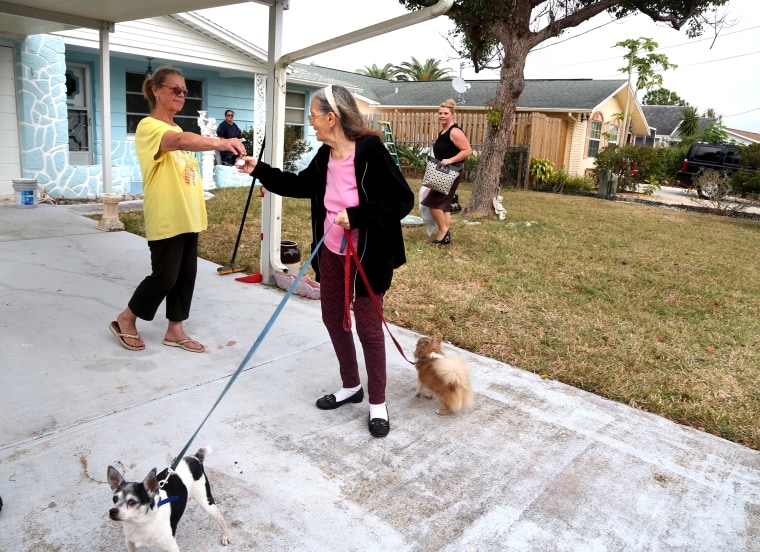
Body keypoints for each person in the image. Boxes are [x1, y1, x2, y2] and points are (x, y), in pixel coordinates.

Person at [237, 85, 414, 437]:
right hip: (331, 251)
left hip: (368, 256)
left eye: (313, 116)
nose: (310, 122)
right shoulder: (325, 154)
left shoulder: (370, 150)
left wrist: (359, 214)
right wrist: (260, 169)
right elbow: (301, 185)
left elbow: (402, 200)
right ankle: (351, 386)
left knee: (367, 328)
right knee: (334, 318)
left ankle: (377, 402)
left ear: (332, 118)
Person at [109, 66, 246, 353]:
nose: (181, 95)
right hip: (167, 215)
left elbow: (183, 153)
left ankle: (175, 330)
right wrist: (221, 142)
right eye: (175, 89)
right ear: (156, 90)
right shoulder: (149, 127)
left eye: (185, 91)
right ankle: (126, 318)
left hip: (188, 215)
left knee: (185, 275)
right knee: (164, 276)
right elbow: (181, 142)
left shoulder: (176, 127)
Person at [421, 98, 472, 245]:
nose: (442, 115)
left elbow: (467, 150)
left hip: (452, 172)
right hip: (444, 172)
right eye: (440, 113)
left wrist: (450, 160)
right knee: (444, 204)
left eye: (445, 113)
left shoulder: (454, 131)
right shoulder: (443, 131)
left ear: (452, 115)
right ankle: (445, 234)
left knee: (431, 202)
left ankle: (443, 231)